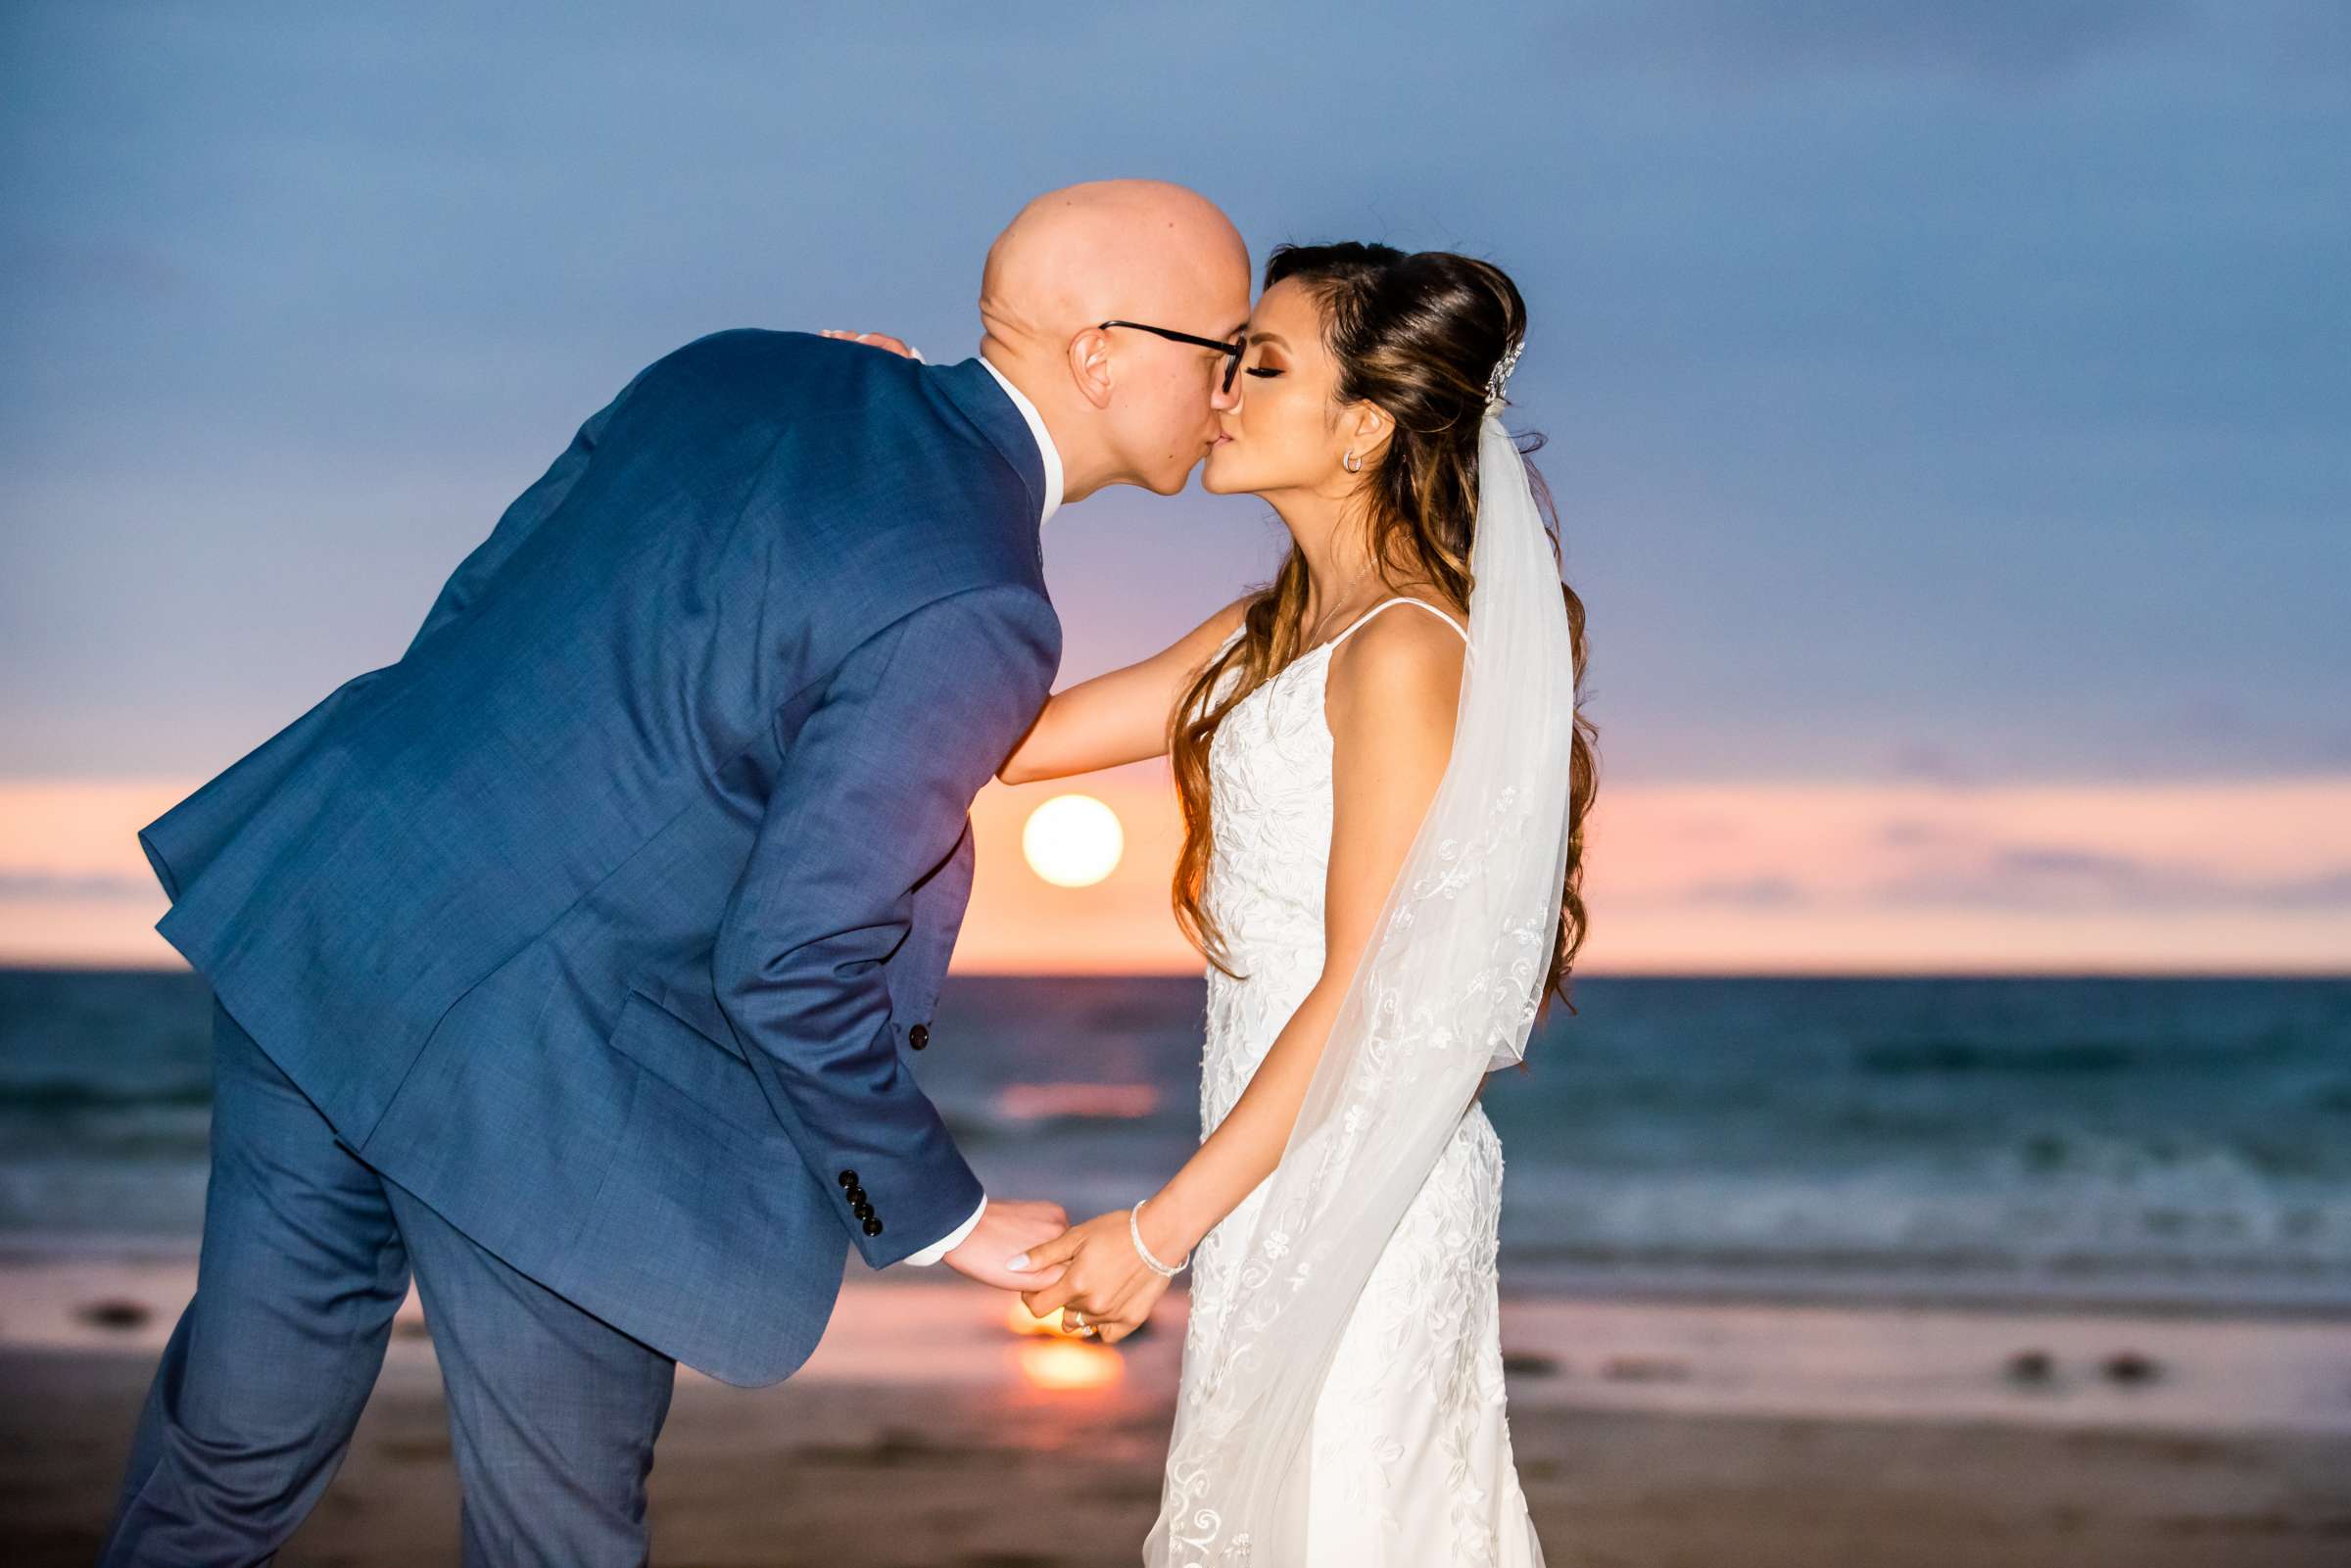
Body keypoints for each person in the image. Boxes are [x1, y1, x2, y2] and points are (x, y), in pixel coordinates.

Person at [97, 177, 1253, 1567]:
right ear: (1100, 354)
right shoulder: (980, 598)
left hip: (338, 904)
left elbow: (484, 606)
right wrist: (945, 1219)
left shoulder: (731, 365)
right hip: (548, 1078)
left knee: (229, 1451)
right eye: (1223, 344)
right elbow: (792, 956)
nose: (1236, 382)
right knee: (559, 1542)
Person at [836, 238, 1595, 1563]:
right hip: (1267, 1182)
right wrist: (885, 467)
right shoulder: (1262, 638)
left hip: (1367, 1191)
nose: (1222, 391)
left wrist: (1153, 1231)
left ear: (1363, 426)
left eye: (1265, 362)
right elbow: (998, 741)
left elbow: (1367, 992)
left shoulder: (1407, 647)